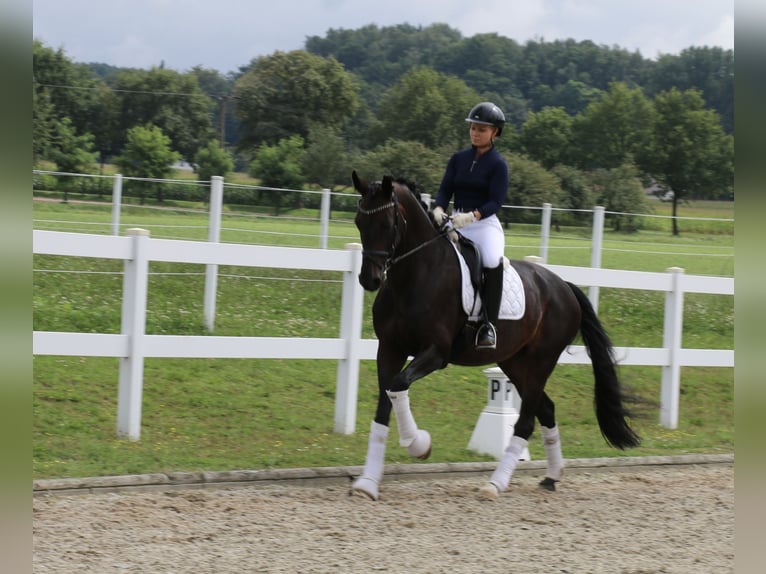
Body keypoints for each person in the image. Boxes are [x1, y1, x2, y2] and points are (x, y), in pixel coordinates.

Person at [432, 102, 509, 350]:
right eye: (473, 128)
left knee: (491, 259)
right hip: (454, 221)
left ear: (495, 132)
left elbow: (495, 202)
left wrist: (473, 216)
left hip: (484, 225)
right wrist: (439, 209)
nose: (475, 133)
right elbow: (445, 189)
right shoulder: (458, 159)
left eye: (482, 129)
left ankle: (489, 325)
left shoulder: (498, 164)